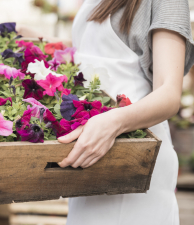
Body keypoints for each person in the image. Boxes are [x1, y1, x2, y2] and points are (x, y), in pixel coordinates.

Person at [17, 0, 194, 224]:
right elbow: (96, 53)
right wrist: (41, 42)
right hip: (92, 151)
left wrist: (112, 123)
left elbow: (168, 94)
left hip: (134, 153)